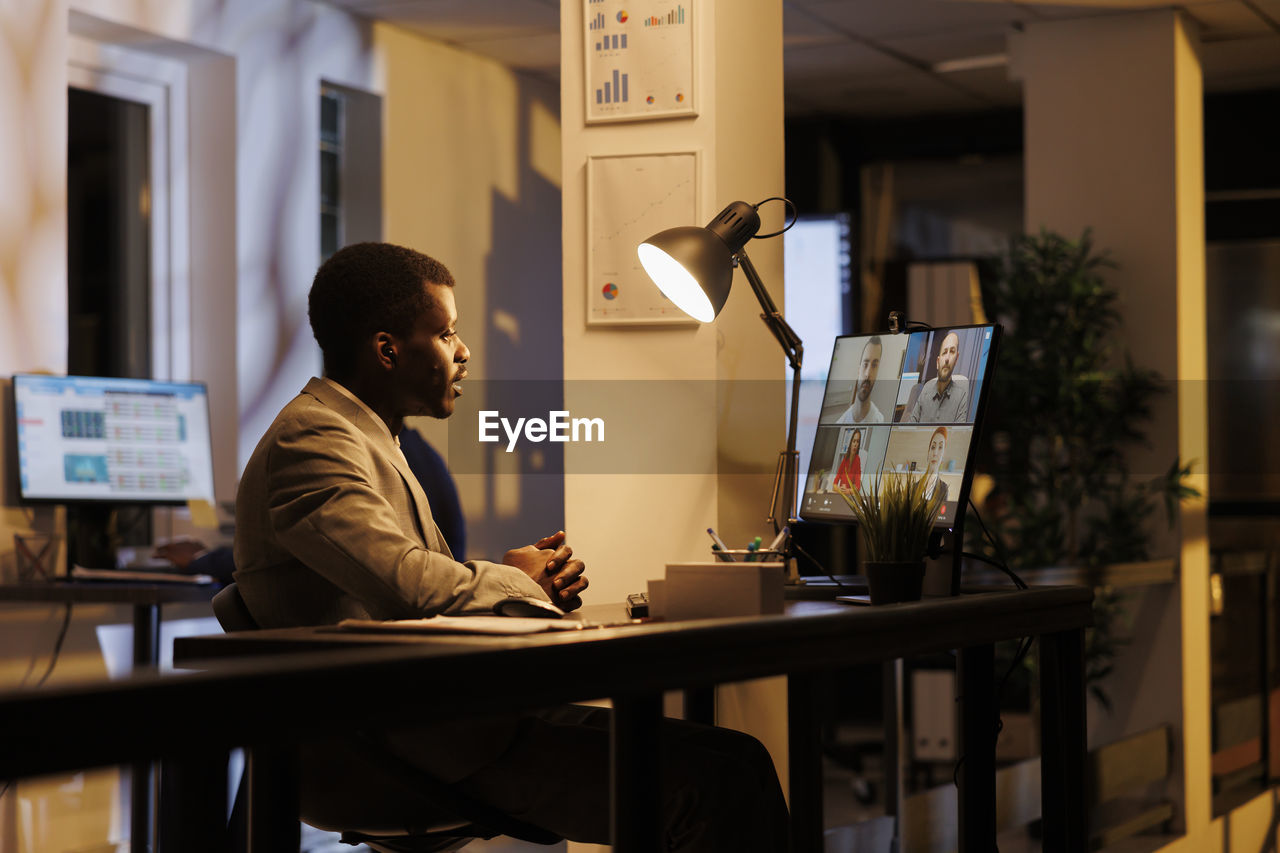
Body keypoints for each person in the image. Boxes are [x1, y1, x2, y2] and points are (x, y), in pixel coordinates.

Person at [233, 242, 788, 850]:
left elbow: (409, 591)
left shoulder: (371, 438)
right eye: (446, 335)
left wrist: (528, 587)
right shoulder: (313, 437)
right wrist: (518, 581)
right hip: (402, 746)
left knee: (739, 759)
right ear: (388, 350)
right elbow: (413, 587)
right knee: (716, 784)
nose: (464, 352)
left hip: (441, 723)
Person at [908, 330, 970, 423]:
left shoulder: (961, 395)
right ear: (937, 362)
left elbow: (958, 435)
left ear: (956, 359)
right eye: (944, 352)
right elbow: (911, 425)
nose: (947, 359)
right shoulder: (926, 389)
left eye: (952, 352)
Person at [834, 336, 886, 424]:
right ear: (859, 369)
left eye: (874, 365)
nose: (868, 374)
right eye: (865, 364)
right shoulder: (840, 422)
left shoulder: (879, 420)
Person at [921, 426, 949, 504]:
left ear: (943, 455)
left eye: (940, 447)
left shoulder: (944, 489)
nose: (935, 453)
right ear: (928, 452)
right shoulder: (914, 487)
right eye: (933, 447)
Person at [832, 428, 864, 493]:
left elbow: (857, 487)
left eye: (857, 442)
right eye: (854, 441)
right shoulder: (845, 458)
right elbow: (835, 484)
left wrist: (847, 490)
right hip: (840, 494)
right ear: (850, 443)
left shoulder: (857, 460)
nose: (855, 444)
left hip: (849, 497)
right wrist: (839, 489)